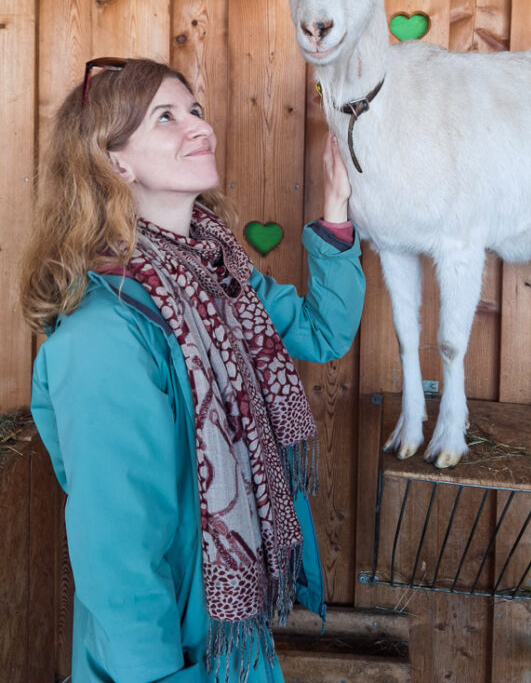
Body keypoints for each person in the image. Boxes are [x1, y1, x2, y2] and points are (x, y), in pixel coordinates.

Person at [21, 57, 365, 683]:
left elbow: (322, 331)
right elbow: (119, 553)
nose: (200, 127)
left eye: (195, 111)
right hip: (170, 656)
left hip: (232, 633)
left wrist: (336, 206)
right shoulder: (105, 335)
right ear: (115, 162)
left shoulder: (218, 275)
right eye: (165, 117)